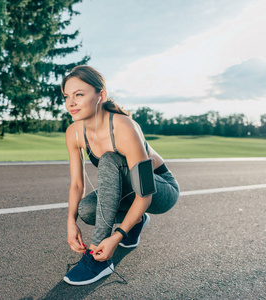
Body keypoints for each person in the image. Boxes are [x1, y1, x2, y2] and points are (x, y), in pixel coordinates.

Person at [62, 65, 180, 286]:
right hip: (129, 191)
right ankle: (136, 221)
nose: (71, 102)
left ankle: (98, 261)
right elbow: (77, 184)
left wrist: (116, 237)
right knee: (86, 211)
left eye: (79, 95)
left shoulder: (123, 127)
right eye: (67, 96)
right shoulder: (73, 132)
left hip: (160, 189)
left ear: (101, 96)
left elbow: (144, 193)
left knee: (109, 159)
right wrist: (71, 222)